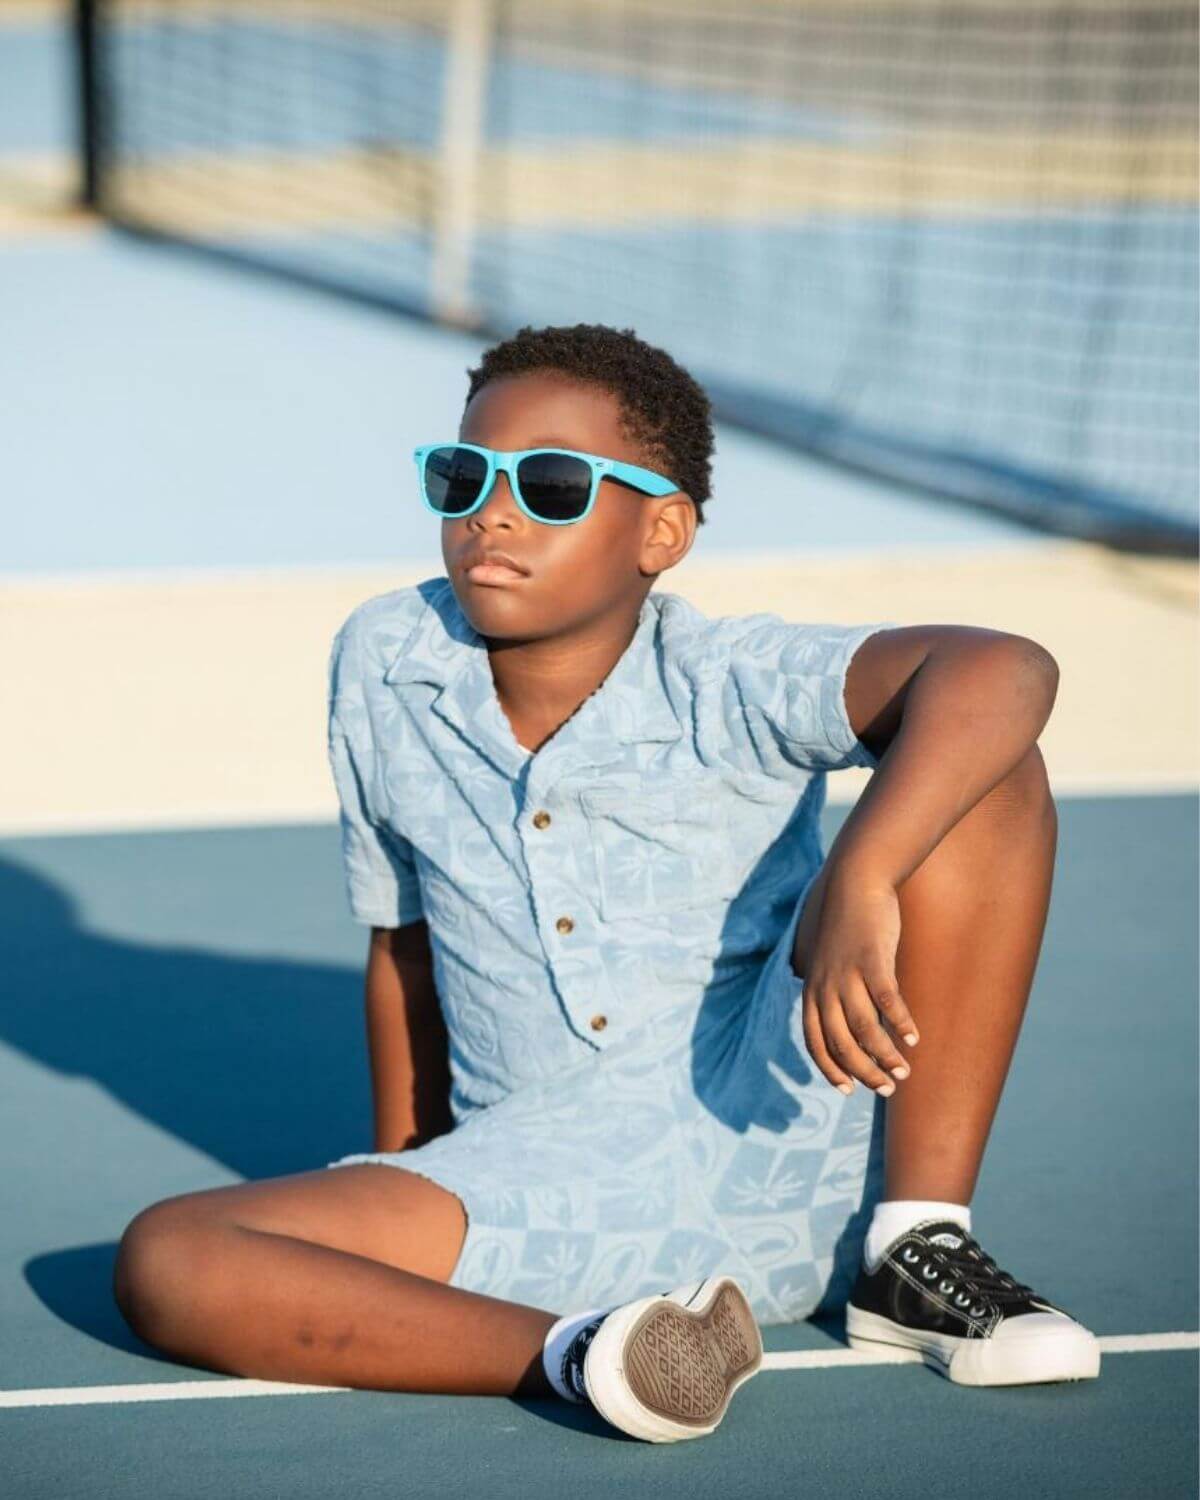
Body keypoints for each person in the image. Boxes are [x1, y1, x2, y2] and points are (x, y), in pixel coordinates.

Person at [112, 322, 1100, 1443]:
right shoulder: (383, 661)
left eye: (550, 484)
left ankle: (917, 1251)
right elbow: (406, 949)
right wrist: (406, 1173)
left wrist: (863, 872)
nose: (494, 511)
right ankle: (601, 1353)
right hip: (539, 1186)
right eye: (463, 475)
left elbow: (1002, 665)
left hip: (799, 1142)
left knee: (982, 767)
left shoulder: (725, 678)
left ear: (662, 531)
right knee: (172, 1256)